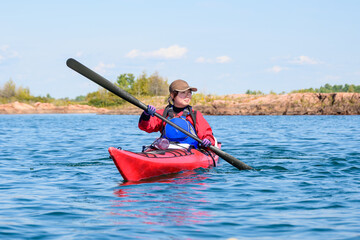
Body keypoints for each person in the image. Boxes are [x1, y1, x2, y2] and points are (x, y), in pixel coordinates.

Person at [138, 79, 215, 149]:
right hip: (168, 149)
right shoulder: (163, 114)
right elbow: (146, 127)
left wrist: (207, 140)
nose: (187, 95)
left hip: (191, 151)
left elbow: (206, 133)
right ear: (172, 95)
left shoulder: (195, 115)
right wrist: (146, 115)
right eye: (183, 92)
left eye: (189, 93)